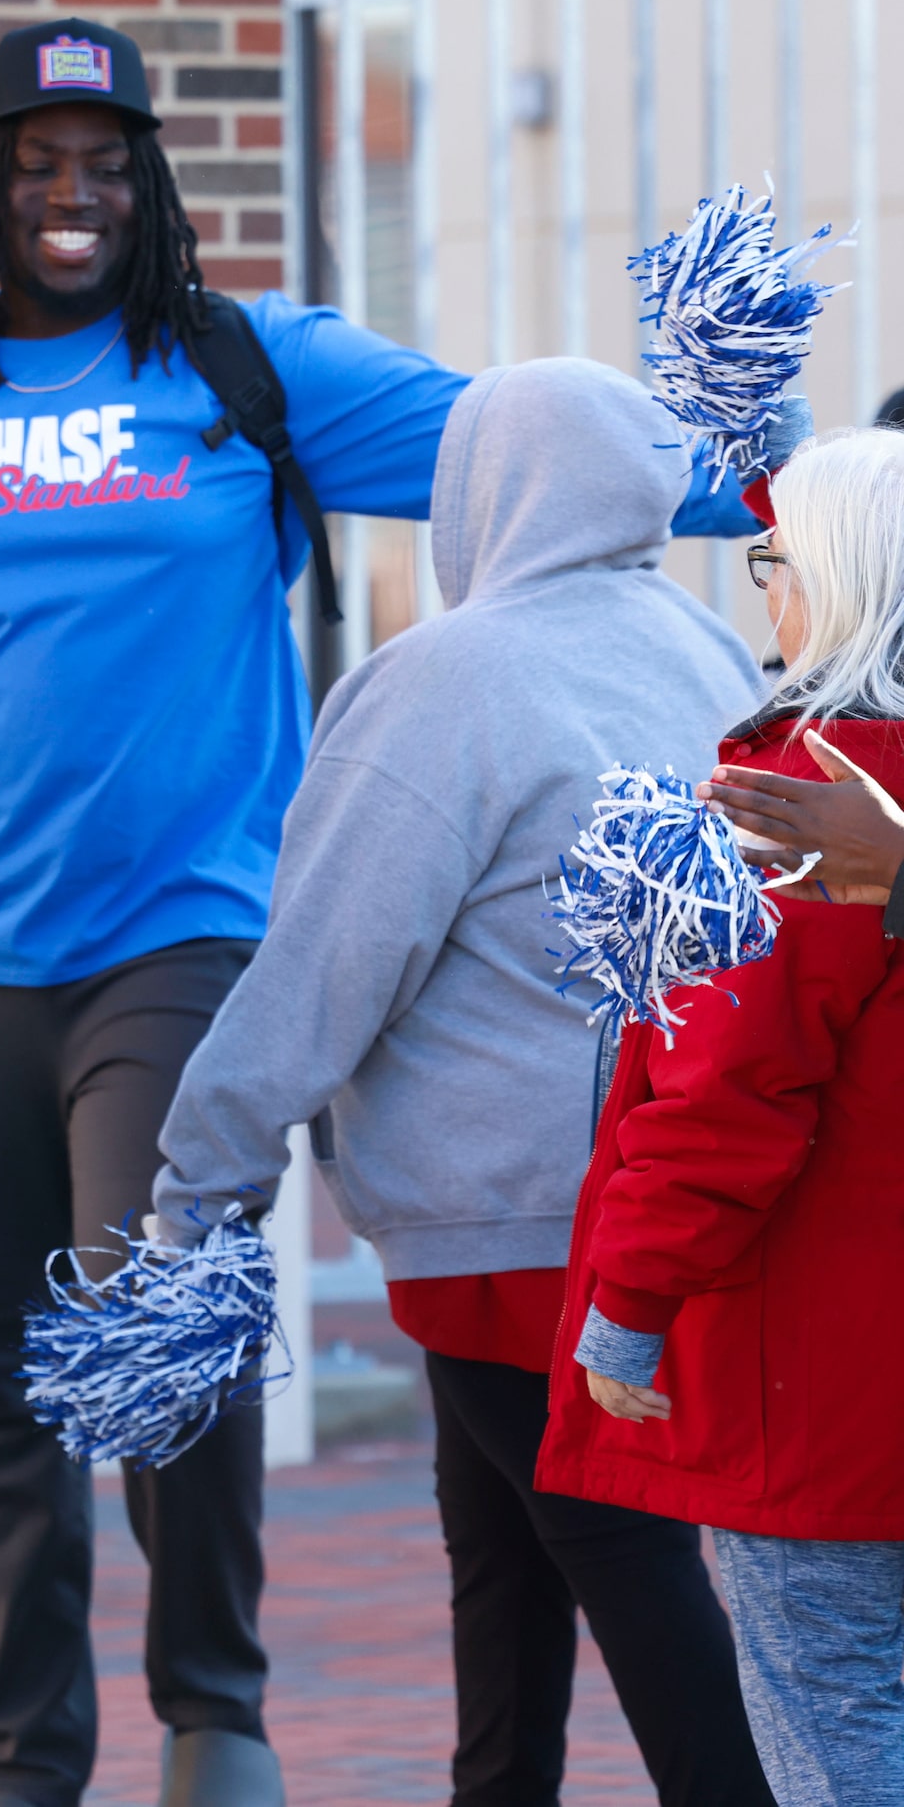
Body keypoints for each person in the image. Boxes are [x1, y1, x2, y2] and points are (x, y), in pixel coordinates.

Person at [0, 16, 762, 1807]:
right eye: (37, 158)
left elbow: (524, 445)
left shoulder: (247, 371)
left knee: (164, 1326)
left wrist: (785, 479)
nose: (73, 193)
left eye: (107, 159)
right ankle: (26, 1749)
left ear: (149, 179)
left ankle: (212, 1716)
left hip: (180, 941)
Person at [148, 359, 774, 1807]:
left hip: (500, 1226)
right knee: (499, 1566)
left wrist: (203, 1183)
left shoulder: (444, 680)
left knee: (623, 1568)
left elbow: (321, 960)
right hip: (660, 1203)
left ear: (476, 490)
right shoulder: (700, 645)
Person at [541, 425, 904, 1805]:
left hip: (818, 1364)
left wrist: (628, 1301)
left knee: (833, 1715)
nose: (766, 589)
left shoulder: (799, 792)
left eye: (777, 561)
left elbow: (725, 1096)